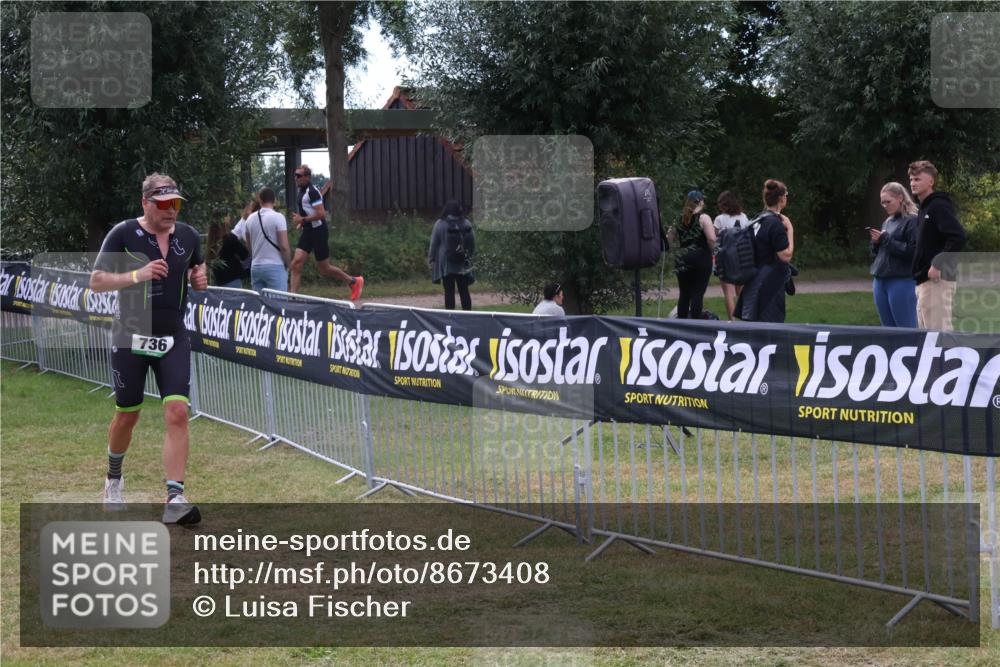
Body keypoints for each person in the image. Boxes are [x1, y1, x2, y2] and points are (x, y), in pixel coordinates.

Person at [89, 173, 207, 525]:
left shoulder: (188, 236)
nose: (171, 211)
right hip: (131, 337)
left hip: (174, 337)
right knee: (128, 413)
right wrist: (136, 275)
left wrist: (200, 280)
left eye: (176, 204)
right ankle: (113, 479)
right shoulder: (124, 233)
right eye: (164, 204)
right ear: (146, 203)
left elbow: (197, 272)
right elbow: (96, 282)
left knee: (177, 413)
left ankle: (175, 497)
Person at [288, 165, 364, 299]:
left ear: (307, 177)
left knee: (324, 268)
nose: (296, 178)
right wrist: (302, 222)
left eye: (299, 176)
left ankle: (353, 281)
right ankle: (292, 298)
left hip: (319, 232)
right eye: (295, 175)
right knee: (295, 264)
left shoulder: (312, 191)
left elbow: (321, 214)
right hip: (308, 231)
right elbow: (308, 212)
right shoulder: (301, 191)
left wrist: (303, 219)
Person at [909, 160, 966, 331]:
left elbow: (958, 236)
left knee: (939, 337)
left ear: (931, 181)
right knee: (926, 337)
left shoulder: (938, 205)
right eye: (911, 179)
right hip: (922, 282)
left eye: (917, 179)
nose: (912, 183)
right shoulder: (923, 208)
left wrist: (937, 264)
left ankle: (951, 359)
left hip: (936, 280)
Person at [736, 179, 794, 323]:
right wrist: (790, 231)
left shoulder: (756, 220)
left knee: (754, 330)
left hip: (753, 281)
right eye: (786, 195)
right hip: (770, 285)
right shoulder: (775, 224)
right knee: (770, 332)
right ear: (781, 199)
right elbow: (785, 255)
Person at [870, 182, 918, 327]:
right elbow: (881, 252)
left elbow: (912, 252)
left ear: (900, 198)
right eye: (882, 203)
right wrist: (876, 243)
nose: (885, 206)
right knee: (888, 330)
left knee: (906, 329)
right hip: (880, 279)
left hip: (901, 280)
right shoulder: (888, 221)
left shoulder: (912, 220)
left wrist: (885, 239)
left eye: (888, 202)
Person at [668, 190, 716, 319]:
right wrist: (714, 251)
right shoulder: (703, 218)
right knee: (697, 293)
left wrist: (677, 250)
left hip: (682, 258)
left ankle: (682, 323)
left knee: (684, 293)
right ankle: (695, 323)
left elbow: (669, 238)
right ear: (700, 202)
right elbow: (711, 238)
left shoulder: (678, 219)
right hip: (701, 258)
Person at [238, 187, 291, 292]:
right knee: (277, 304)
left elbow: (249, 246)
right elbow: (284, 246)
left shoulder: (250, 219)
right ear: (274, 200)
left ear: (260, 200)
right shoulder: (278, 217)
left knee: (259, 305)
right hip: (275, 265)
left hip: (256, 267)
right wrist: (289, 264)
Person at [428, 200, 476, 311]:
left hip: (446, 264)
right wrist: (469, 257)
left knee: (449, 291)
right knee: (464, 291)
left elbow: (434, 243)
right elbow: (472, 243)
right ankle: (468, 314)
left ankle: (450, 315)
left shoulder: (440, 224)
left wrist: (431, 259)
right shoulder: (467, 223)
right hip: (463, 263)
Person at [713, 190, 750, 320]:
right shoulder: (744, 217)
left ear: (724, 205)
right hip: (741, 258)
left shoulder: (719, 219)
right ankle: (745, 317)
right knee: (740, 291)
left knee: (728, 293)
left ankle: (732, 322)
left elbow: (715, 238)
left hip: (725, 258)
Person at [206, 216, 249, 288]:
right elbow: (244, 255)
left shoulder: (211, 240)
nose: (229, 218)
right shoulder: (229, 238)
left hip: (219, 280)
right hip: (233, 278)